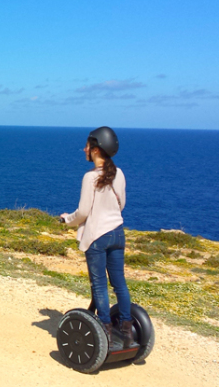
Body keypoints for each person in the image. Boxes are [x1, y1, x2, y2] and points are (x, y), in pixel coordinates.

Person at [60, 126, 137, 349]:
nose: (84, 149)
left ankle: (104, 329)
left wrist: (66, 220)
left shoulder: (90, 177)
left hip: (97, 235)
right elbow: (121, 203)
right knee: (119, 283)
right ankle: (125, 328)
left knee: (99, 284)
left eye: (87, 145)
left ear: (96, 149)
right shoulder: (119, 173)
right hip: (117, 233)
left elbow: (83, 212)